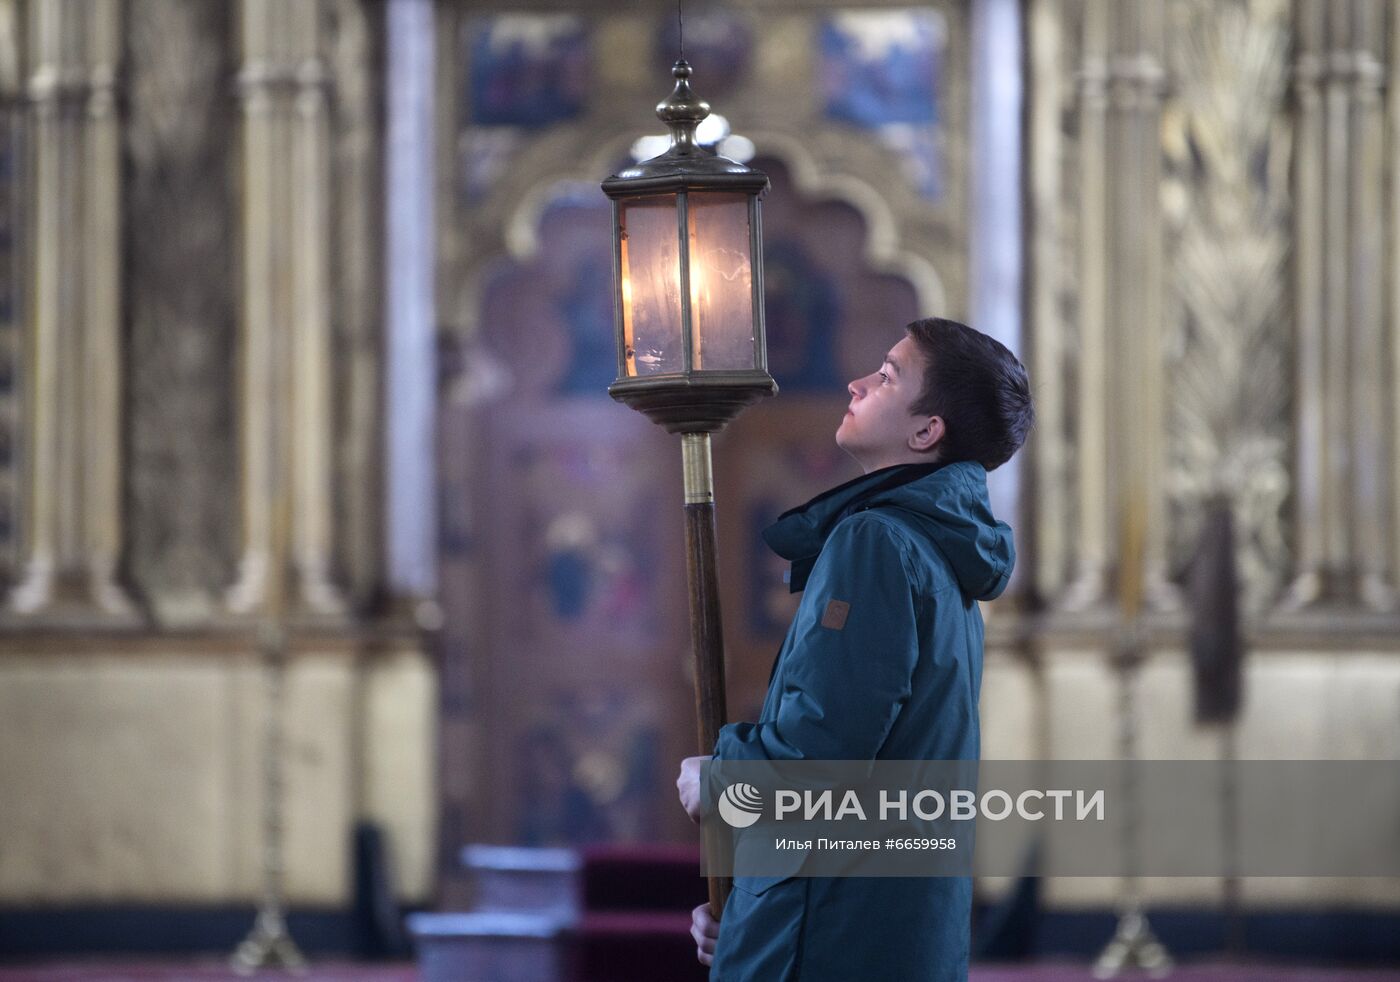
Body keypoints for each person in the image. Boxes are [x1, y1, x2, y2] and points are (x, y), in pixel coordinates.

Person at [675, 316, 1033, 981]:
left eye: (888, 375)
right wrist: (750, 917)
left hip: (834, 940)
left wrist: (718, 780)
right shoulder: (938, 551)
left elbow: (825, 758)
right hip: (871, 927)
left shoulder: (877, 543)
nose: (857, 382)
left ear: (927, 431)